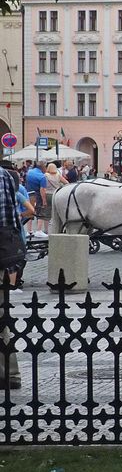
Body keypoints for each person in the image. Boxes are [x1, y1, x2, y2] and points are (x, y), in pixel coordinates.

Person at [0, 161, 22, 388]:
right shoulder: (4, 175)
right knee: (1, 317)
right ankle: (9, 373)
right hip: (3, 252)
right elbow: (11, 221)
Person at [25, 161, 48, 238]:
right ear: (43, 167)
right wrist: (44, 200)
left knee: (30, 211)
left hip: (29, 194)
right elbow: (42, 189)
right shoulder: (42, 177)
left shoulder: (29, 172)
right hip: (37, 195)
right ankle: (38, 230)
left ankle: (29, 231)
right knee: (40, 212)